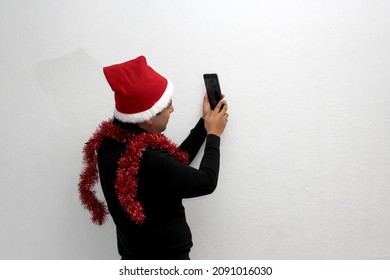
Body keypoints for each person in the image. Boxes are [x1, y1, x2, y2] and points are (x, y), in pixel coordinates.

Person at [78, 55, 228, 260]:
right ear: (148, 117)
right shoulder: (150, 159)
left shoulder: (109, 145)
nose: (172, 109)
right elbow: (206, 182)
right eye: (168, 104)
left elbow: (172, 166)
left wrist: (204, 125)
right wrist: (214, 135)